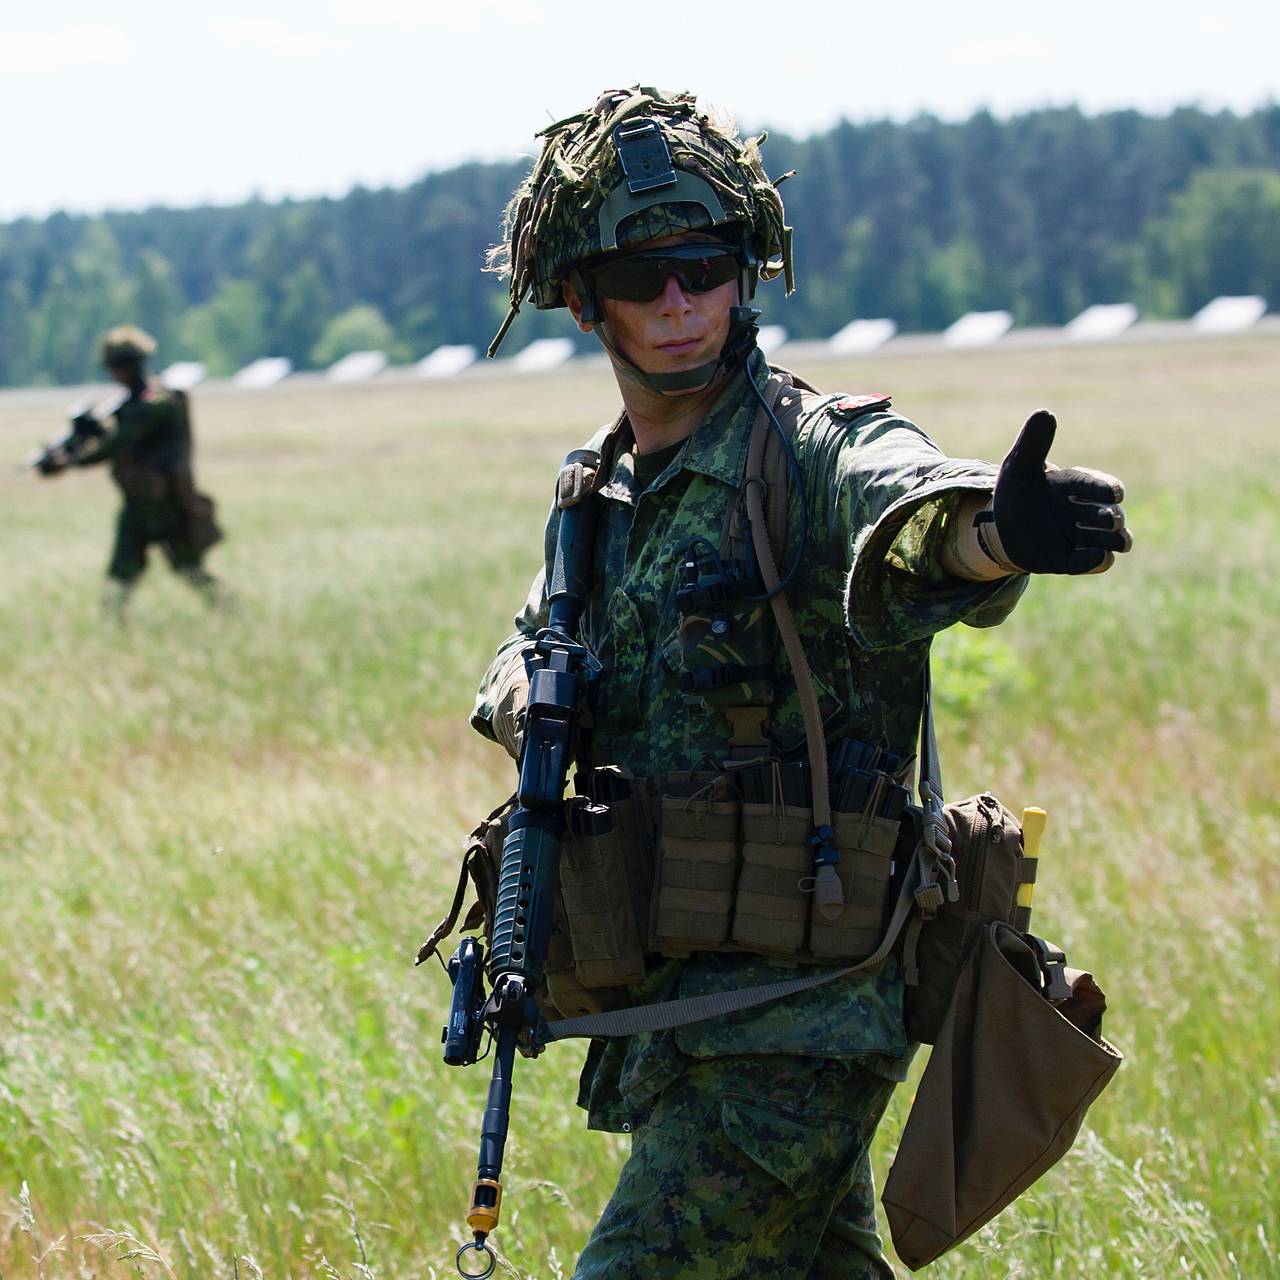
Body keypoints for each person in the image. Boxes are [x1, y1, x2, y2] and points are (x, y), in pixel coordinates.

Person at [470, 87, 1131, 1279]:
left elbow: (914, 506)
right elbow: (527, 650)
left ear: (746, 271)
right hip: (680, 1010)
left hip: (802, 1017)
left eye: (706, 266)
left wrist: (1000, 527)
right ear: (580, 296)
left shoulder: (807, 449)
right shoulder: (600, 498)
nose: (680, 302)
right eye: (642, 274)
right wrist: (533, 691)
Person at [39, 326, 226, 618]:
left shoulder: (157, 403)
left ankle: (230, 612)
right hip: (140, 504)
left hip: (165, 503)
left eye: (121, 365)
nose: (119, 372)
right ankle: (113, 628)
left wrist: (73, 460)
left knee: (188, 569)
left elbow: (119, 442)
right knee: (122, 576)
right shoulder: (131, 406)